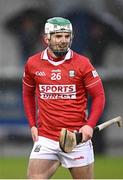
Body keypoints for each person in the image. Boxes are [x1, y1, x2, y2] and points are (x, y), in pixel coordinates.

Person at [22, 17, 105, 179]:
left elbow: (99, 96)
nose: (63, 41)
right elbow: (27, 94)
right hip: (46, 138)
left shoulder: (83, 63)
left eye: (67, 36)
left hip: (77, 139)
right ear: (46, 38)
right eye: (58, 36)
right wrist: (32, 124)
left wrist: (89, 125)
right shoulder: (32, 63)